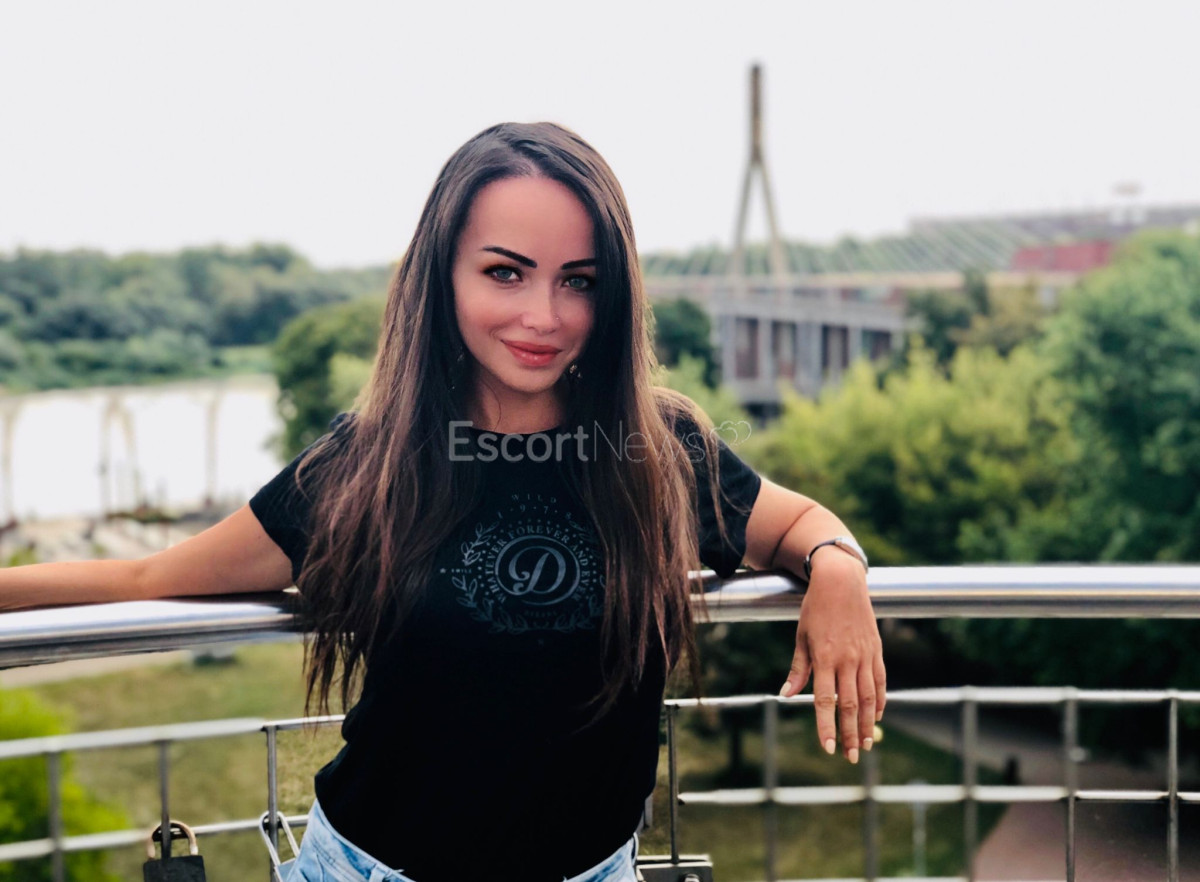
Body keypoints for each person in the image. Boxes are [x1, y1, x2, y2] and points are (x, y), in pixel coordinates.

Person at [0, 122, 884, 882]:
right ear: (443, 276)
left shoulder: (657, 452)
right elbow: (150, 578)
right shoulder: (369, 465)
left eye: (579, 280)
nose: (544, 315)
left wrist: (840, 571)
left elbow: (801, 526)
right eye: (506, 272)